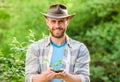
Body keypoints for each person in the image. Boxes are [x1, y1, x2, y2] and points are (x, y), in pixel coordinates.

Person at [25, 4, 90, 82]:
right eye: (53, 21)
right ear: (47, 22)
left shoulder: (80, 48)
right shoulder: (35, 48)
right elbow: (29, 78)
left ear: (67, 21)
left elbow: (85, 79)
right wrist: (45, 77)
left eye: (61, 21)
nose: (57, 25)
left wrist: (66, 77)